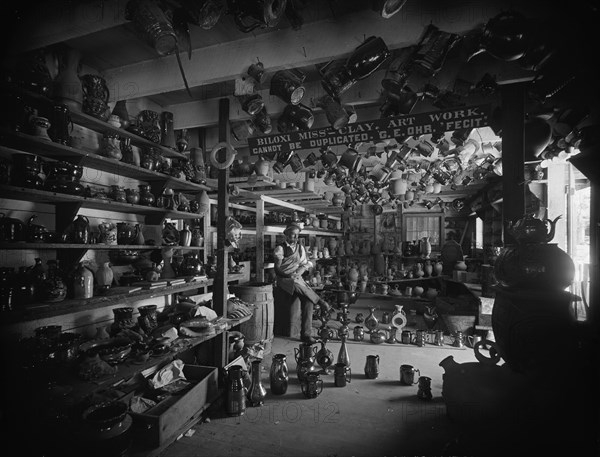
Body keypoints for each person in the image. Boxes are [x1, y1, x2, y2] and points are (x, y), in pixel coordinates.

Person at [273, 223, 331, 344]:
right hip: (284, 279)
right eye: (291, 235)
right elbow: (277, 269)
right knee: (296, 283)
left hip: (296, 278)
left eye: (296, 236)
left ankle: (305, 335)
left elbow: (305, 263)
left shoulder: (300, 248)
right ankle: (320, 301)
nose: (293, 238)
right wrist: (288, 275)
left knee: (308, 301)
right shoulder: (280, 248)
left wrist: (302, 269)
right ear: (286, 235)